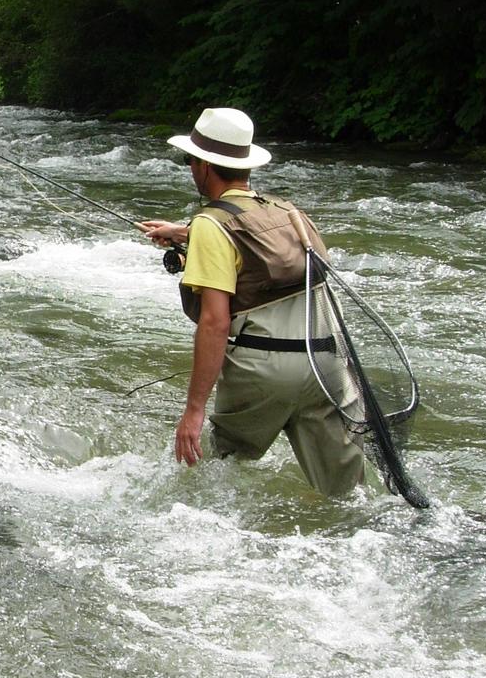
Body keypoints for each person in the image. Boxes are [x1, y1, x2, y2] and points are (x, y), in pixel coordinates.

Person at [137, 107, 366, 496]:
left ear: (206, 166)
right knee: (345, 496)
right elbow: (254, 243)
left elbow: (214, 323)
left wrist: (193, 411)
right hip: (327, 364)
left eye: (191, 159)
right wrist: (184, 232)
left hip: (265, 372)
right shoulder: (287, 211)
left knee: (202, 473)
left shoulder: (211, 224)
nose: (190, 167)